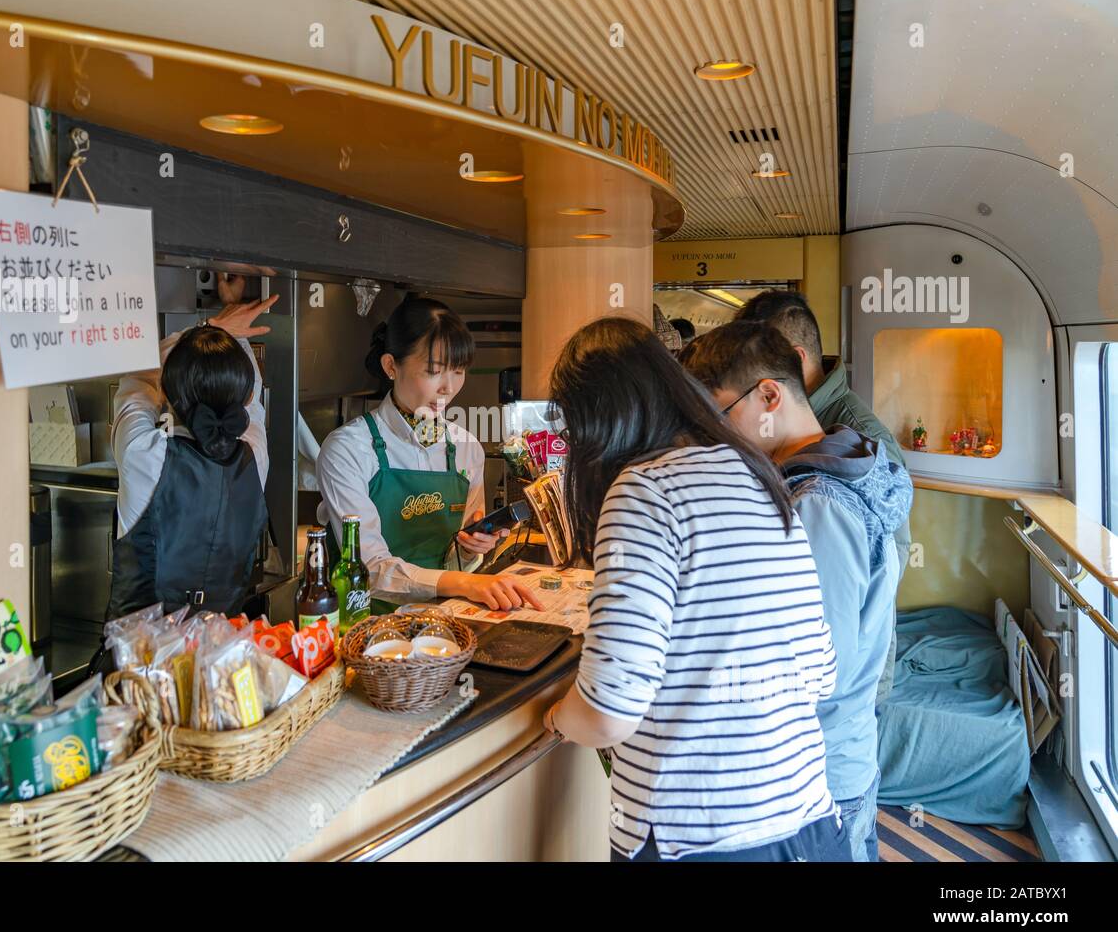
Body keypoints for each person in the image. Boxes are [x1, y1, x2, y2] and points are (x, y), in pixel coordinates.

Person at [540, 316, 848, 862]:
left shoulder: (644, 491)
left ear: (601, 421)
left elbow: (609, 710)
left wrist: (559, 717)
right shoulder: (760, 473)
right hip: (809, 826)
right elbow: (822, 672)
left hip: (700, 837)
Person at [682, 320, 913, 861]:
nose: (713, 436)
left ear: (768, 394)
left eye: (717, 415)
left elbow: (817, 667)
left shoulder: (819, 505)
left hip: (819, 771)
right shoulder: (846, 462)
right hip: (835, 757)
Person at [315, 297, 542, 613]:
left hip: (442, 622)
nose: (448, 388)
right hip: (362, 624)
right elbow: (368, 568)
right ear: (391, 366)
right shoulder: (348, 449)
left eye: (459, 371)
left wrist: (474, 547)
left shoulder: (466, 448)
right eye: (434, 372)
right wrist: (463, 583)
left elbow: (459, 561)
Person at [736, 289, 911, 701]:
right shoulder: (785, 423)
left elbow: (884, 567)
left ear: (794, 361)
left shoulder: (857, 436)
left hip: (839, 684)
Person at [106, 273, 276, 621]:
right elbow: (251, 390)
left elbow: (138, 378)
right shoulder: (254, 454)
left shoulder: (146, 455)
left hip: (140, 663)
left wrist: (212, 324)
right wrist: (223, 325)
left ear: (168, 391)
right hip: (218, 659)